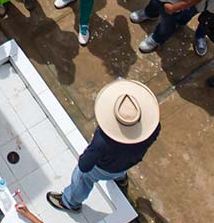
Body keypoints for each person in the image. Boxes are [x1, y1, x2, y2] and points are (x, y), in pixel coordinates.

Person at [48, 80, 159, 213]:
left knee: (83, 177)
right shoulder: (153, 128)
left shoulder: (102, 140)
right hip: (128, 162)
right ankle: (121, 179)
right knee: (120, 169)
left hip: (104, 168)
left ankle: (70, 202)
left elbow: (85, 165)